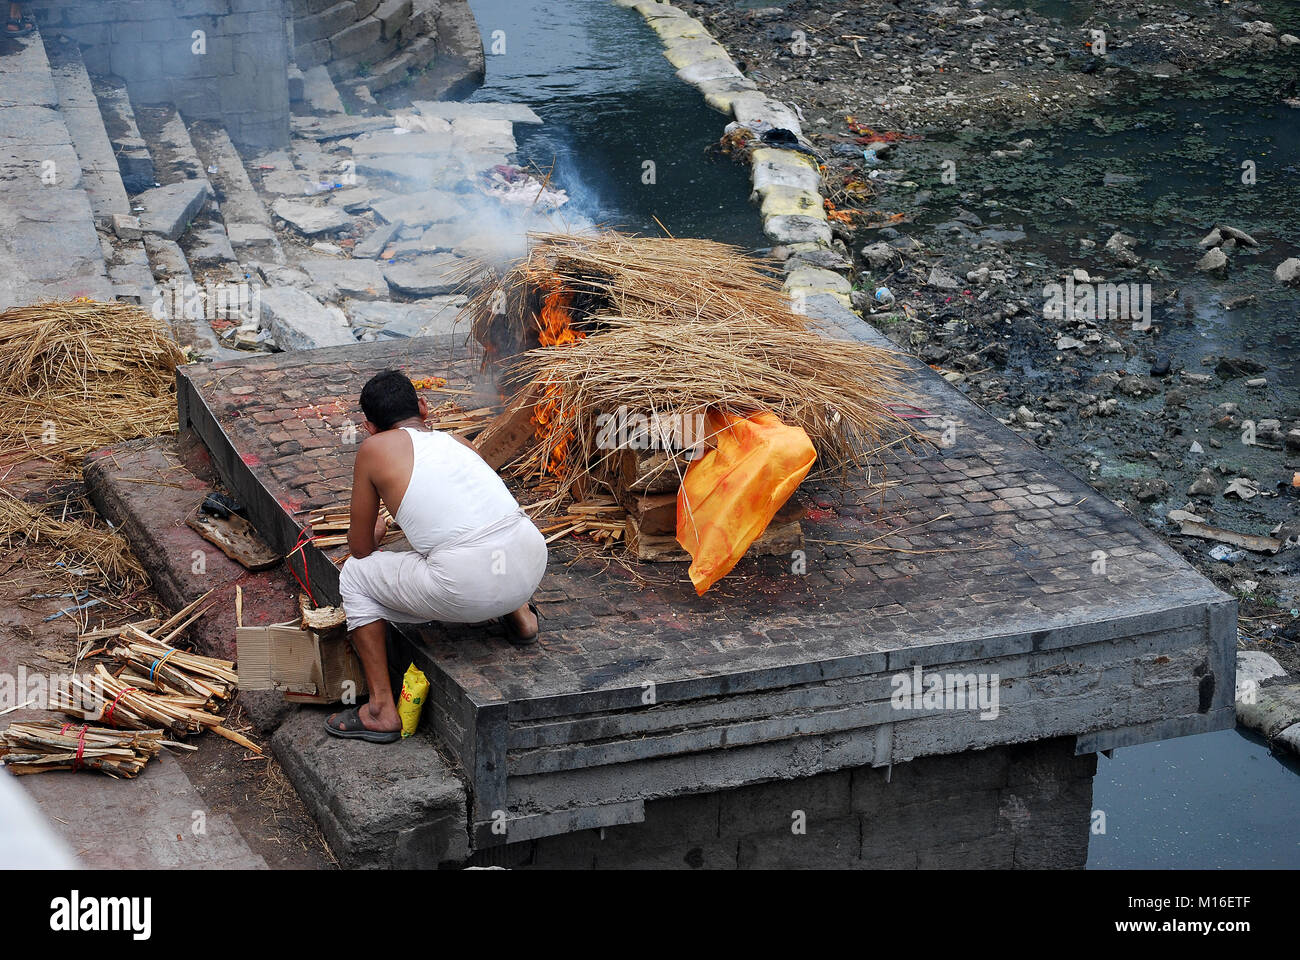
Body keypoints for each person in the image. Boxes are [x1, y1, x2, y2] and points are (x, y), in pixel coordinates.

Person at [325, 369, 547, 743]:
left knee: (354, 575)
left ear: (369, 426)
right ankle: (523, 619)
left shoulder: (373, 450)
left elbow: (361, 549)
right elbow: (478, 510)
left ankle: (380, 708)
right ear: (424, 407)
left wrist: (376, 531)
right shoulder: (459, 441)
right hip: (531, 557)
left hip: (469, 586)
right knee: (481, 536)